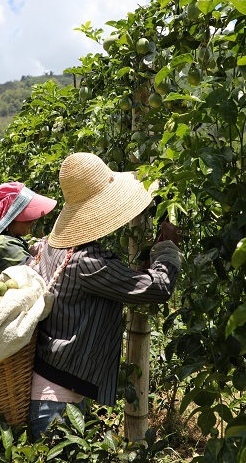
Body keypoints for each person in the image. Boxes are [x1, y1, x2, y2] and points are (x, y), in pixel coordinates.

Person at [29, 152, 182, 440]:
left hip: (53, 383)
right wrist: (168, 249)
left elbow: (120, 281)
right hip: (56, 399)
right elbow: (158, 287)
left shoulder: (53, 246)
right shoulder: (87, 262)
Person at [0, 182, 57, 280]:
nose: (32, 222)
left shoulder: (5, 239)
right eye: (27, 217)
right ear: (11, 218)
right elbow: (39, 276)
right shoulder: (4, 245)